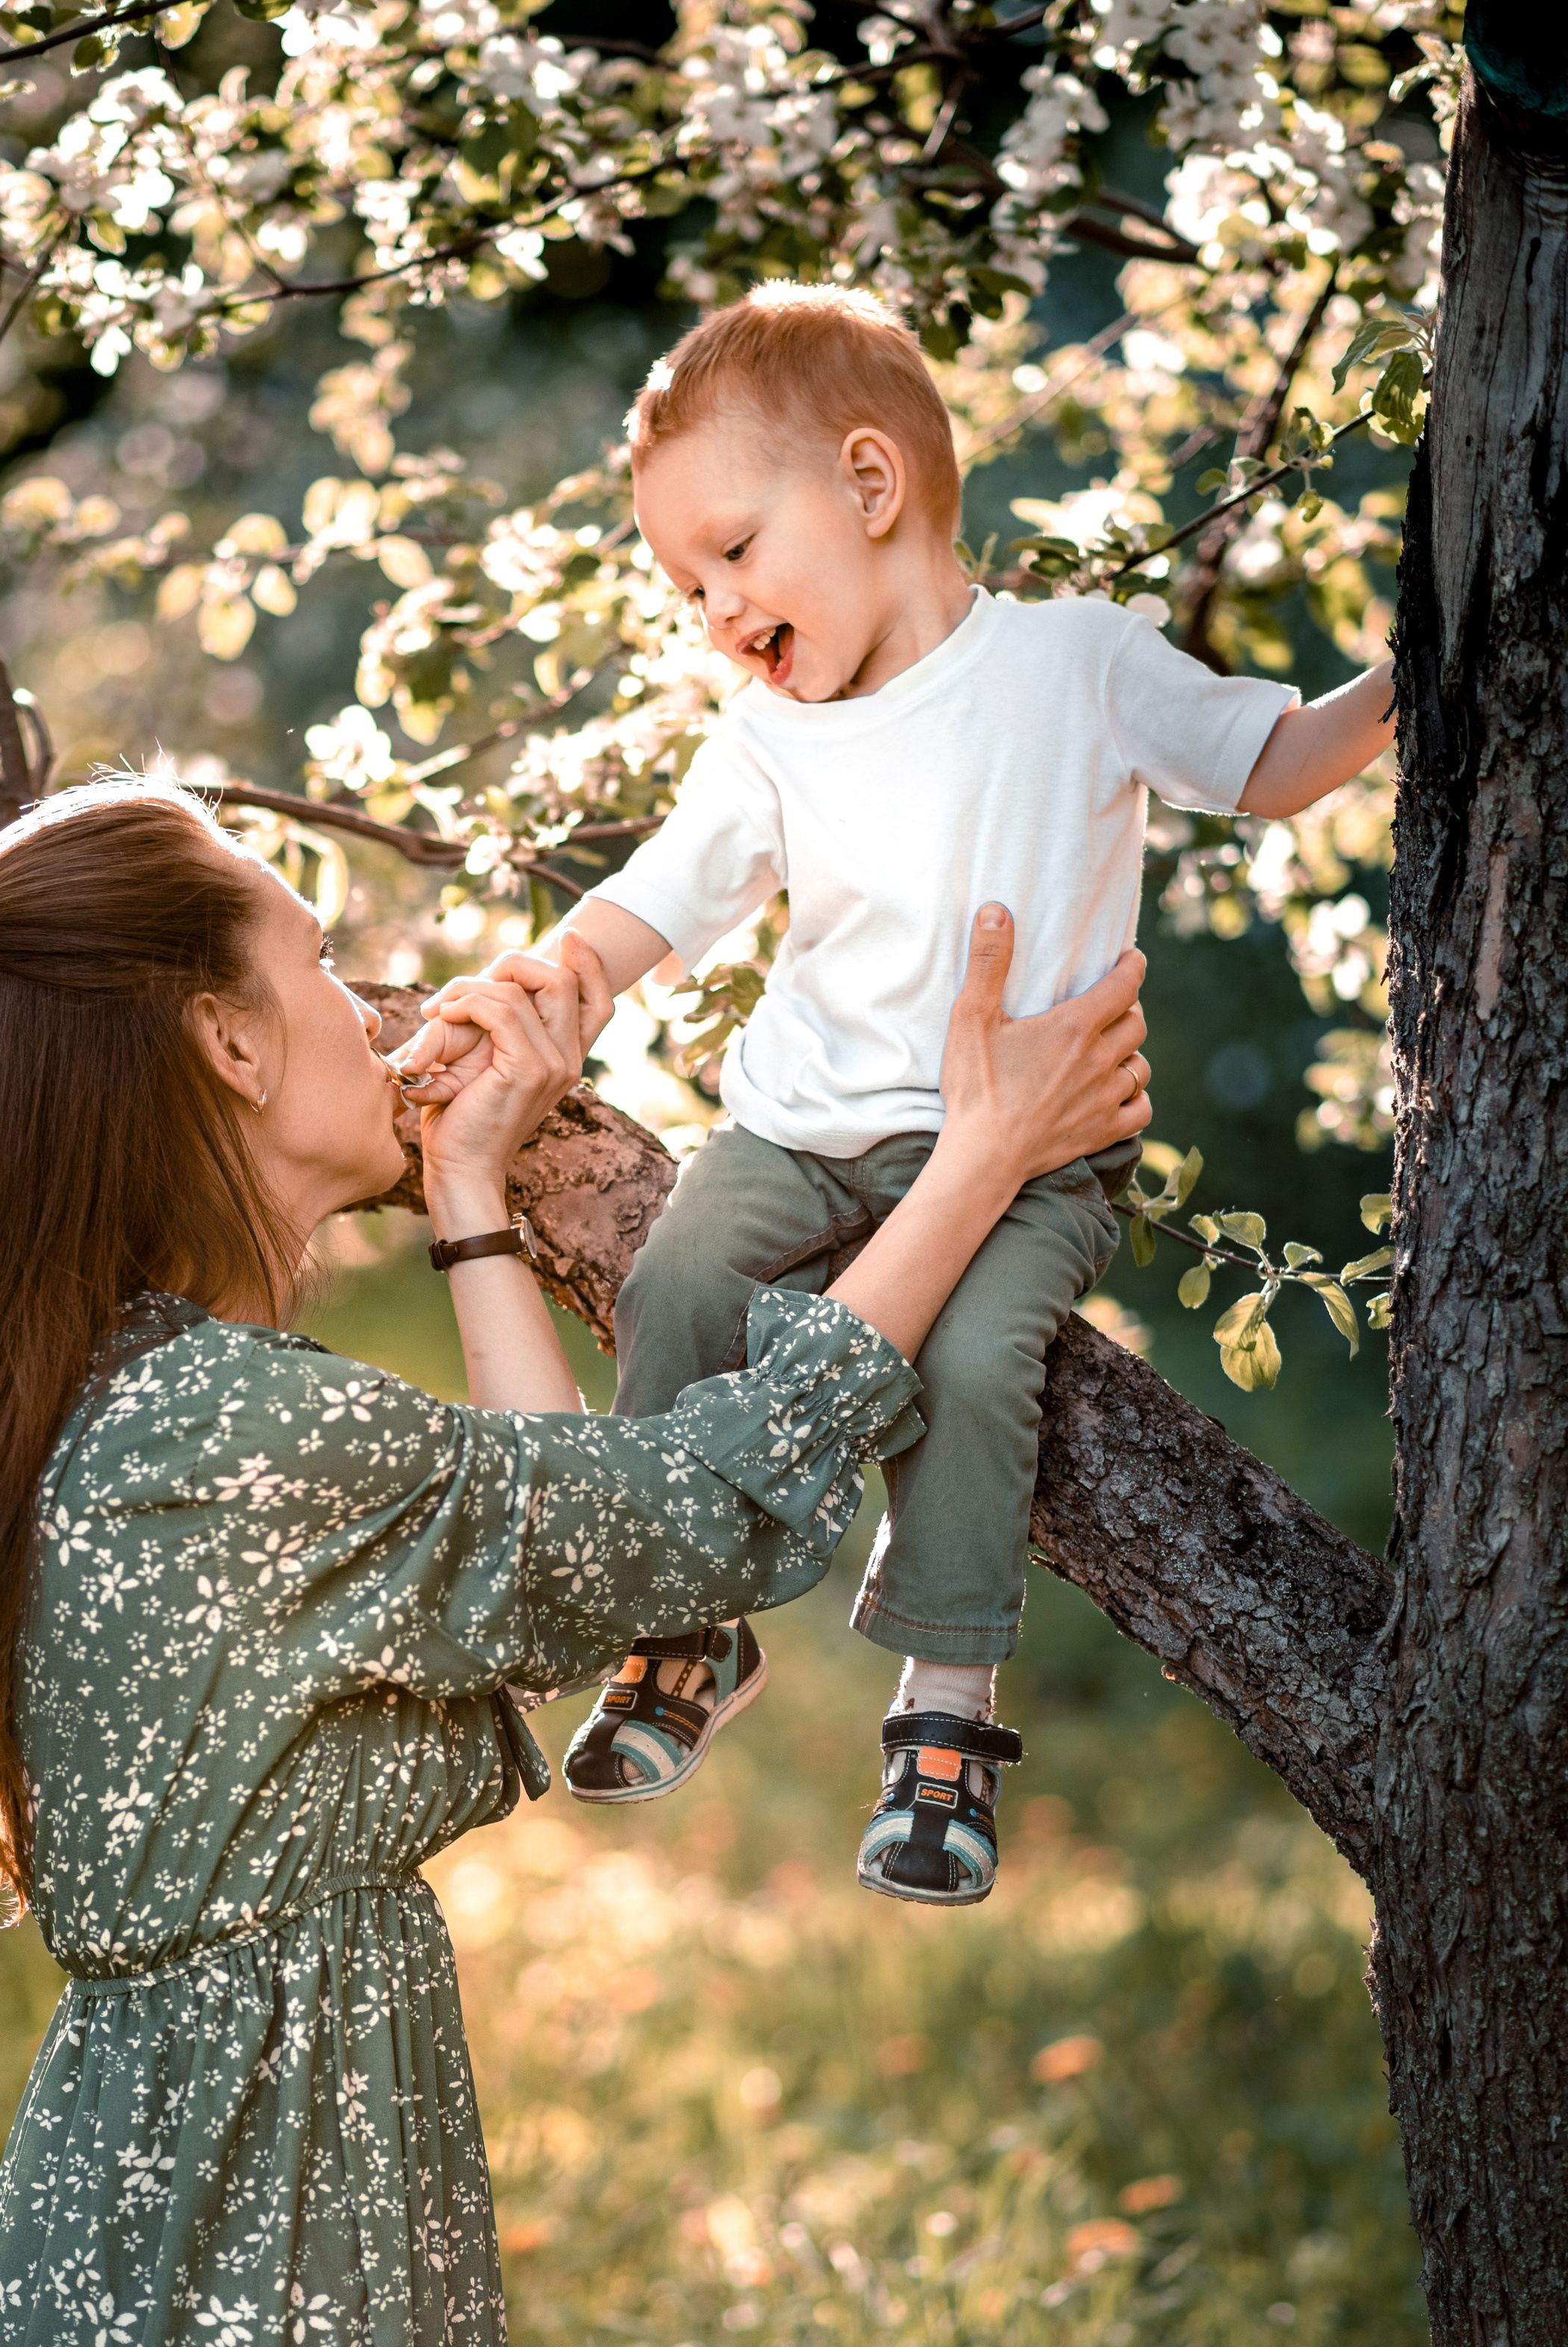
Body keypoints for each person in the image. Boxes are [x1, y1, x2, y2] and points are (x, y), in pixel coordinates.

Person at [0, 775, 1148, 2347]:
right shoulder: (222, 1426)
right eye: (314, 954)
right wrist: (977, 1161)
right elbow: (687, 1518)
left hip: (216, 2176)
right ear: (224, 1042)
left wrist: (477, 1194)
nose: (364, 992)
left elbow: (569, 1570)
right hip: (248, 2213)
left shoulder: (152, 1400)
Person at [410, 280, 1396, 1907]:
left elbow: (1269, 761)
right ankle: (682, 1624)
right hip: (797, 1130)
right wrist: (533, 989)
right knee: (677, 1275)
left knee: (975, 1350)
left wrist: (1401, 676)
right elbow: (641, 910)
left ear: (869, 489)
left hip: (1025, 1155)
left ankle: (942, 1722)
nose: (714, 607)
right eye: (685, 584)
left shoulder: (1073, 666)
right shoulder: (766, 740)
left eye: (732, 552)